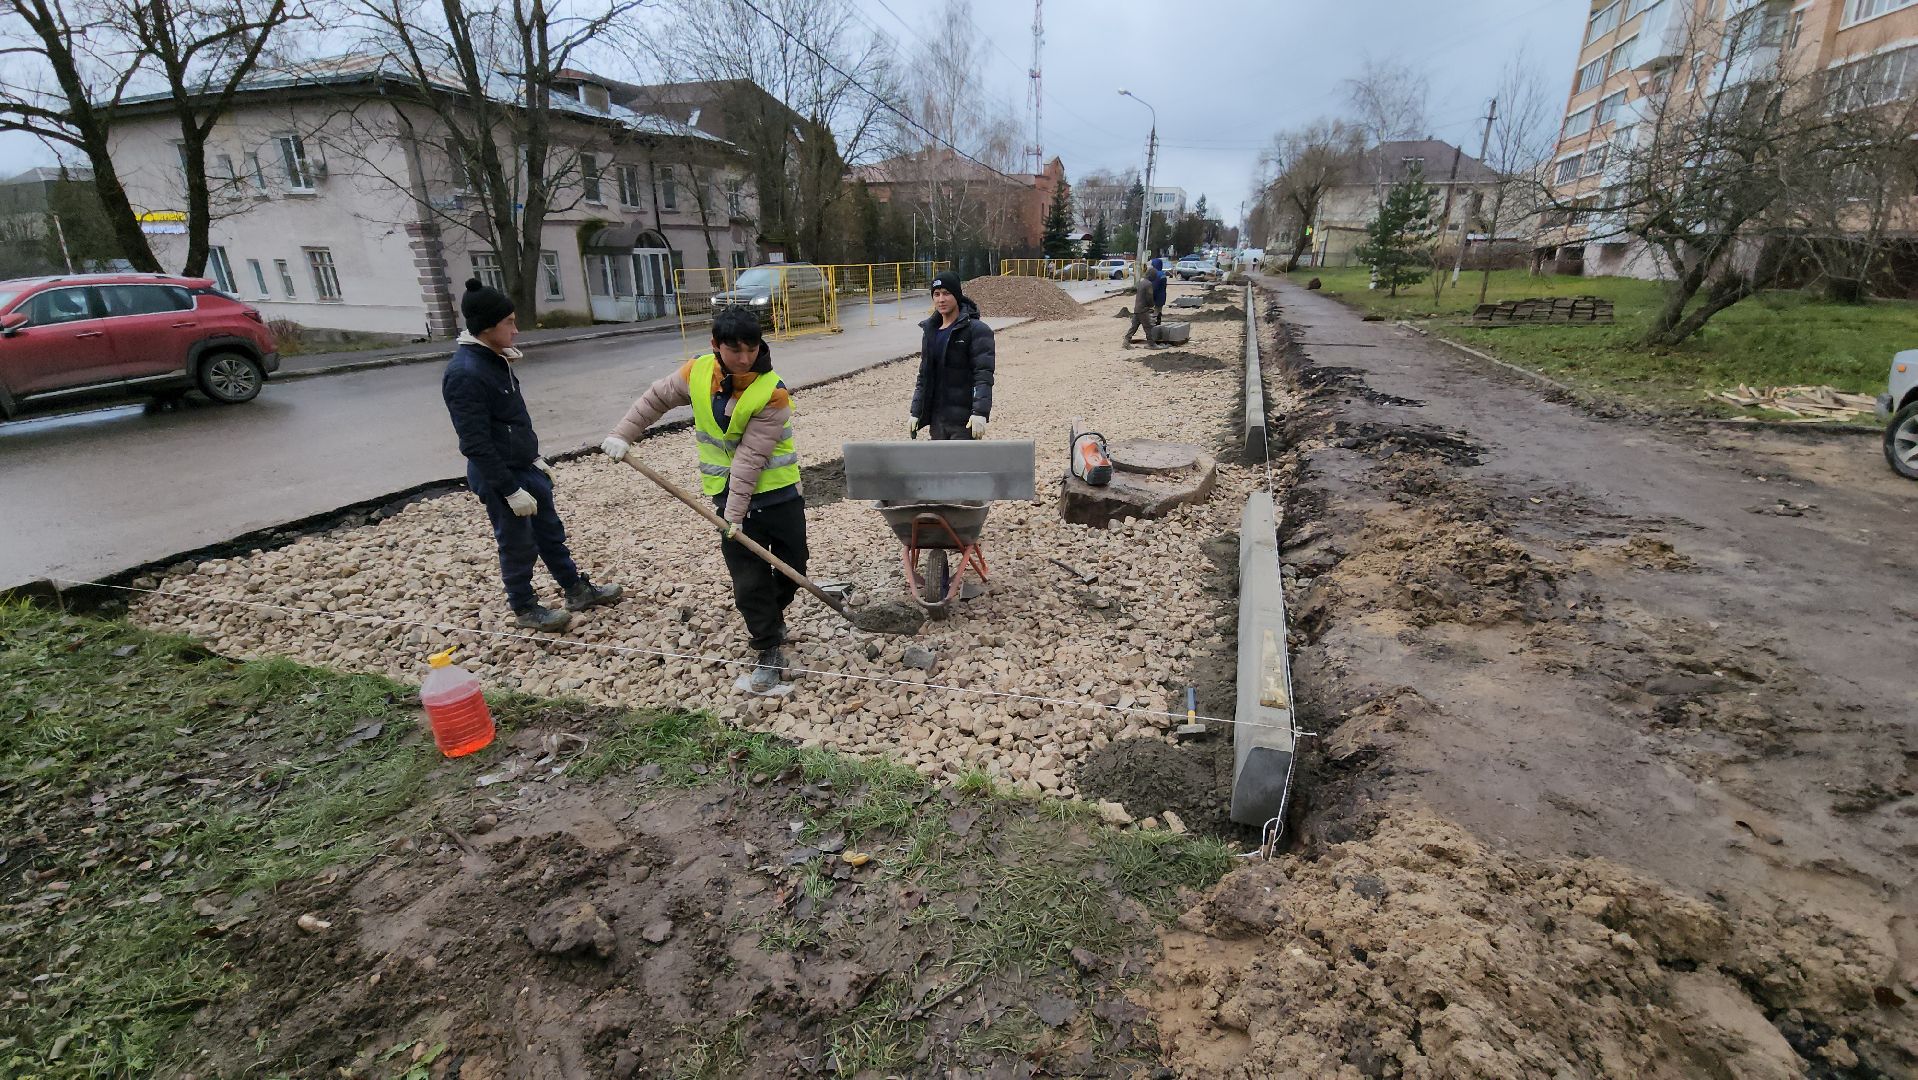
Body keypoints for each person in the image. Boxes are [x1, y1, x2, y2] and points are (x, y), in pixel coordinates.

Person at [601, 308, 805, 693]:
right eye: (734, 350)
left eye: (752, 348)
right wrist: (623, 434)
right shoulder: (696, 372)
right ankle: (766, 646)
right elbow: (655, 399)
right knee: (748, 577)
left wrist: (735, 515)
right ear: (715, 346)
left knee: (794, 565)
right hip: (726, 493)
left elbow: (750, 457)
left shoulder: (771, 390)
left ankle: (772, 615)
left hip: (778, 494)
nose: (745, 358)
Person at [442, 278, 622, 632]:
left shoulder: (495, 360)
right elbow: (475, 443)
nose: (516, 329)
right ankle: (524, 607)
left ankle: (575, 589)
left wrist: (534, 459)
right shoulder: (465, 373)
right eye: (509, 322)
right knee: (517, 543)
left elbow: (511, 421)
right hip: (500, 475)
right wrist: (508, 489)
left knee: (549, 532)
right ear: (486, 326)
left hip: (524, 467)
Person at [909, 271, 995, 441]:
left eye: (947, 293)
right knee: (939, 467)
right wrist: (916, 412)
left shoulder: (976, 330)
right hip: (938, 420)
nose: (941, 299)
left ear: (957, 295)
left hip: (964, 422)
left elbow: (983, 375)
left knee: (962, 466)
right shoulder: (930, 332)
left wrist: (979, 412)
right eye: (936, 294)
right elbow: (924, 376)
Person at [1123, 258, 1166, 348]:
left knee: (1134, 327)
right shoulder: (1149, 284)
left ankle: (1126, 341)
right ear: (1152, 276)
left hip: (1137, 308)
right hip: (1143, 309)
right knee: (1148, 327)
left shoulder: (1142, 283)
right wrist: (1152, 306)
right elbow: (1149, 298)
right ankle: (1151, 344)